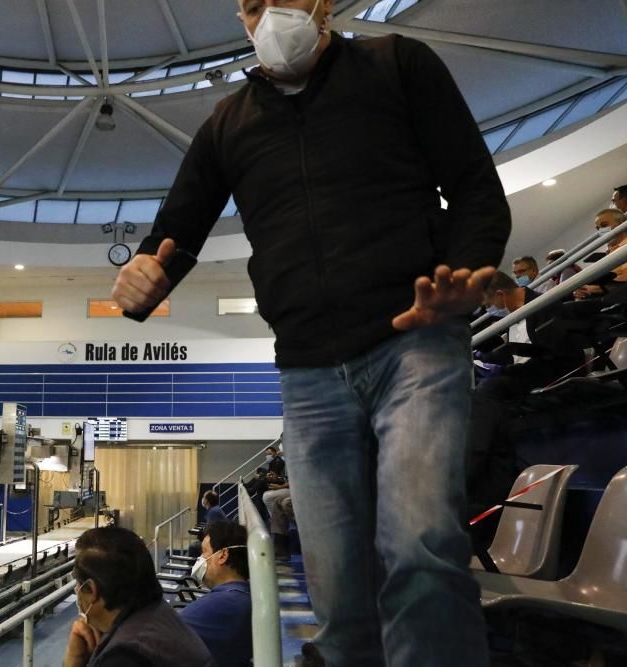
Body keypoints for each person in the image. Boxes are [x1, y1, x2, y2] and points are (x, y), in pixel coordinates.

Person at [110, 1, 511, 664]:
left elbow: (474, 185)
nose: (266, 12)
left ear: (322, 2)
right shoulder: (227, 124)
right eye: (250, 4)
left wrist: (466, 271)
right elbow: (172, 236)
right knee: (337, 593)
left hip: (414, 340)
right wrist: (147, 275)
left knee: (419, 547)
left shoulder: (397, 64)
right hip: (307, 373)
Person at [468, 273, 586, 519]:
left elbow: (554, 354)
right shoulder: (512, 316)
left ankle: (473, 464)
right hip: (521, 374)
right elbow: (514, 354)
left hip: (546, 371)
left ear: (500, 294)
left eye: (489, 303)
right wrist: (486, 360)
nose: (490, 309)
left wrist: (505, 369)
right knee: (475, 388)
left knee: (487, 391)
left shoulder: (545, 305)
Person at [64, 526, 214, 667]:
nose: (77, 589)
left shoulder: (124, 657)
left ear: (91, 589)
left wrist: (73, 661)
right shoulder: (159, 615)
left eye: (78, 583)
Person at [179, 521, 253, 667]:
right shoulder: (241, 594)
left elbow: (164, 636)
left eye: (204, 551)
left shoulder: (226, 603)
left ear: (223, 555)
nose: (200, 558)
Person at [574, 209, 627, 299]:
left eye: (604, 225)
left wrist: (596, 289)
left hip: (618, 299)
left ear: (621, 223)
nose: (601, 231)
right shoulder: (610, 251)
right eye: (598, 228)